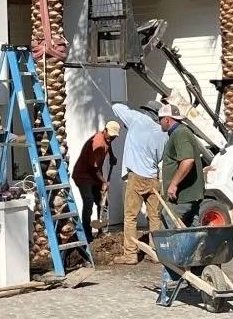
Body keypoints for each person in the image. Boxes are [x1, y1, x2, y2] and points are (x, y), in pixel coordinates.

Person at [110, 102, 168, 263]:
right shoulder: (163, 132)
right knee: (154, 217)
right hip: (154, 177)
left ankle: (130, 254)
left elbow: (116, 107)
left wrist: (130, 112)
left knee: (130, 217)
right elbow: (161, 156)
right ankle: (155, 253)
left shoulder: (137, 119)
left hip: (136, 176)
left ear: (146, 111)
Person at [70, 119, 121, 237]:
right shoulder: (98, 143)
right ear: (105, 131)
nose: (111, 139)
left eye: (114, 137)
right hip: (83, 175)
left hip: (94, 175)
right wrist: (104, 182)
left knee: (103, 202)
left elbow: (109, 144)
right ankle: (87, 234)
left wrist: (112, 156)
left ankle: (102, 231)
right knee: (88, 201)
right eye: (111, 136)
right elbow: (95, 169)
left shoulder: (107, 138)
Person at [158, 104, 206, 221]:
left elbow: (188, 160)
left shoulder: (180, 133)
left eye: (160, 119)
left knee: (168, 229)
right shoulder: (179, 132)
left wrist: (174, 184)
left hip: (182, 197)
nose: (159, 122)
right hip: (186, 196)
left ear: (167, 119)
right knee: (192, 233)